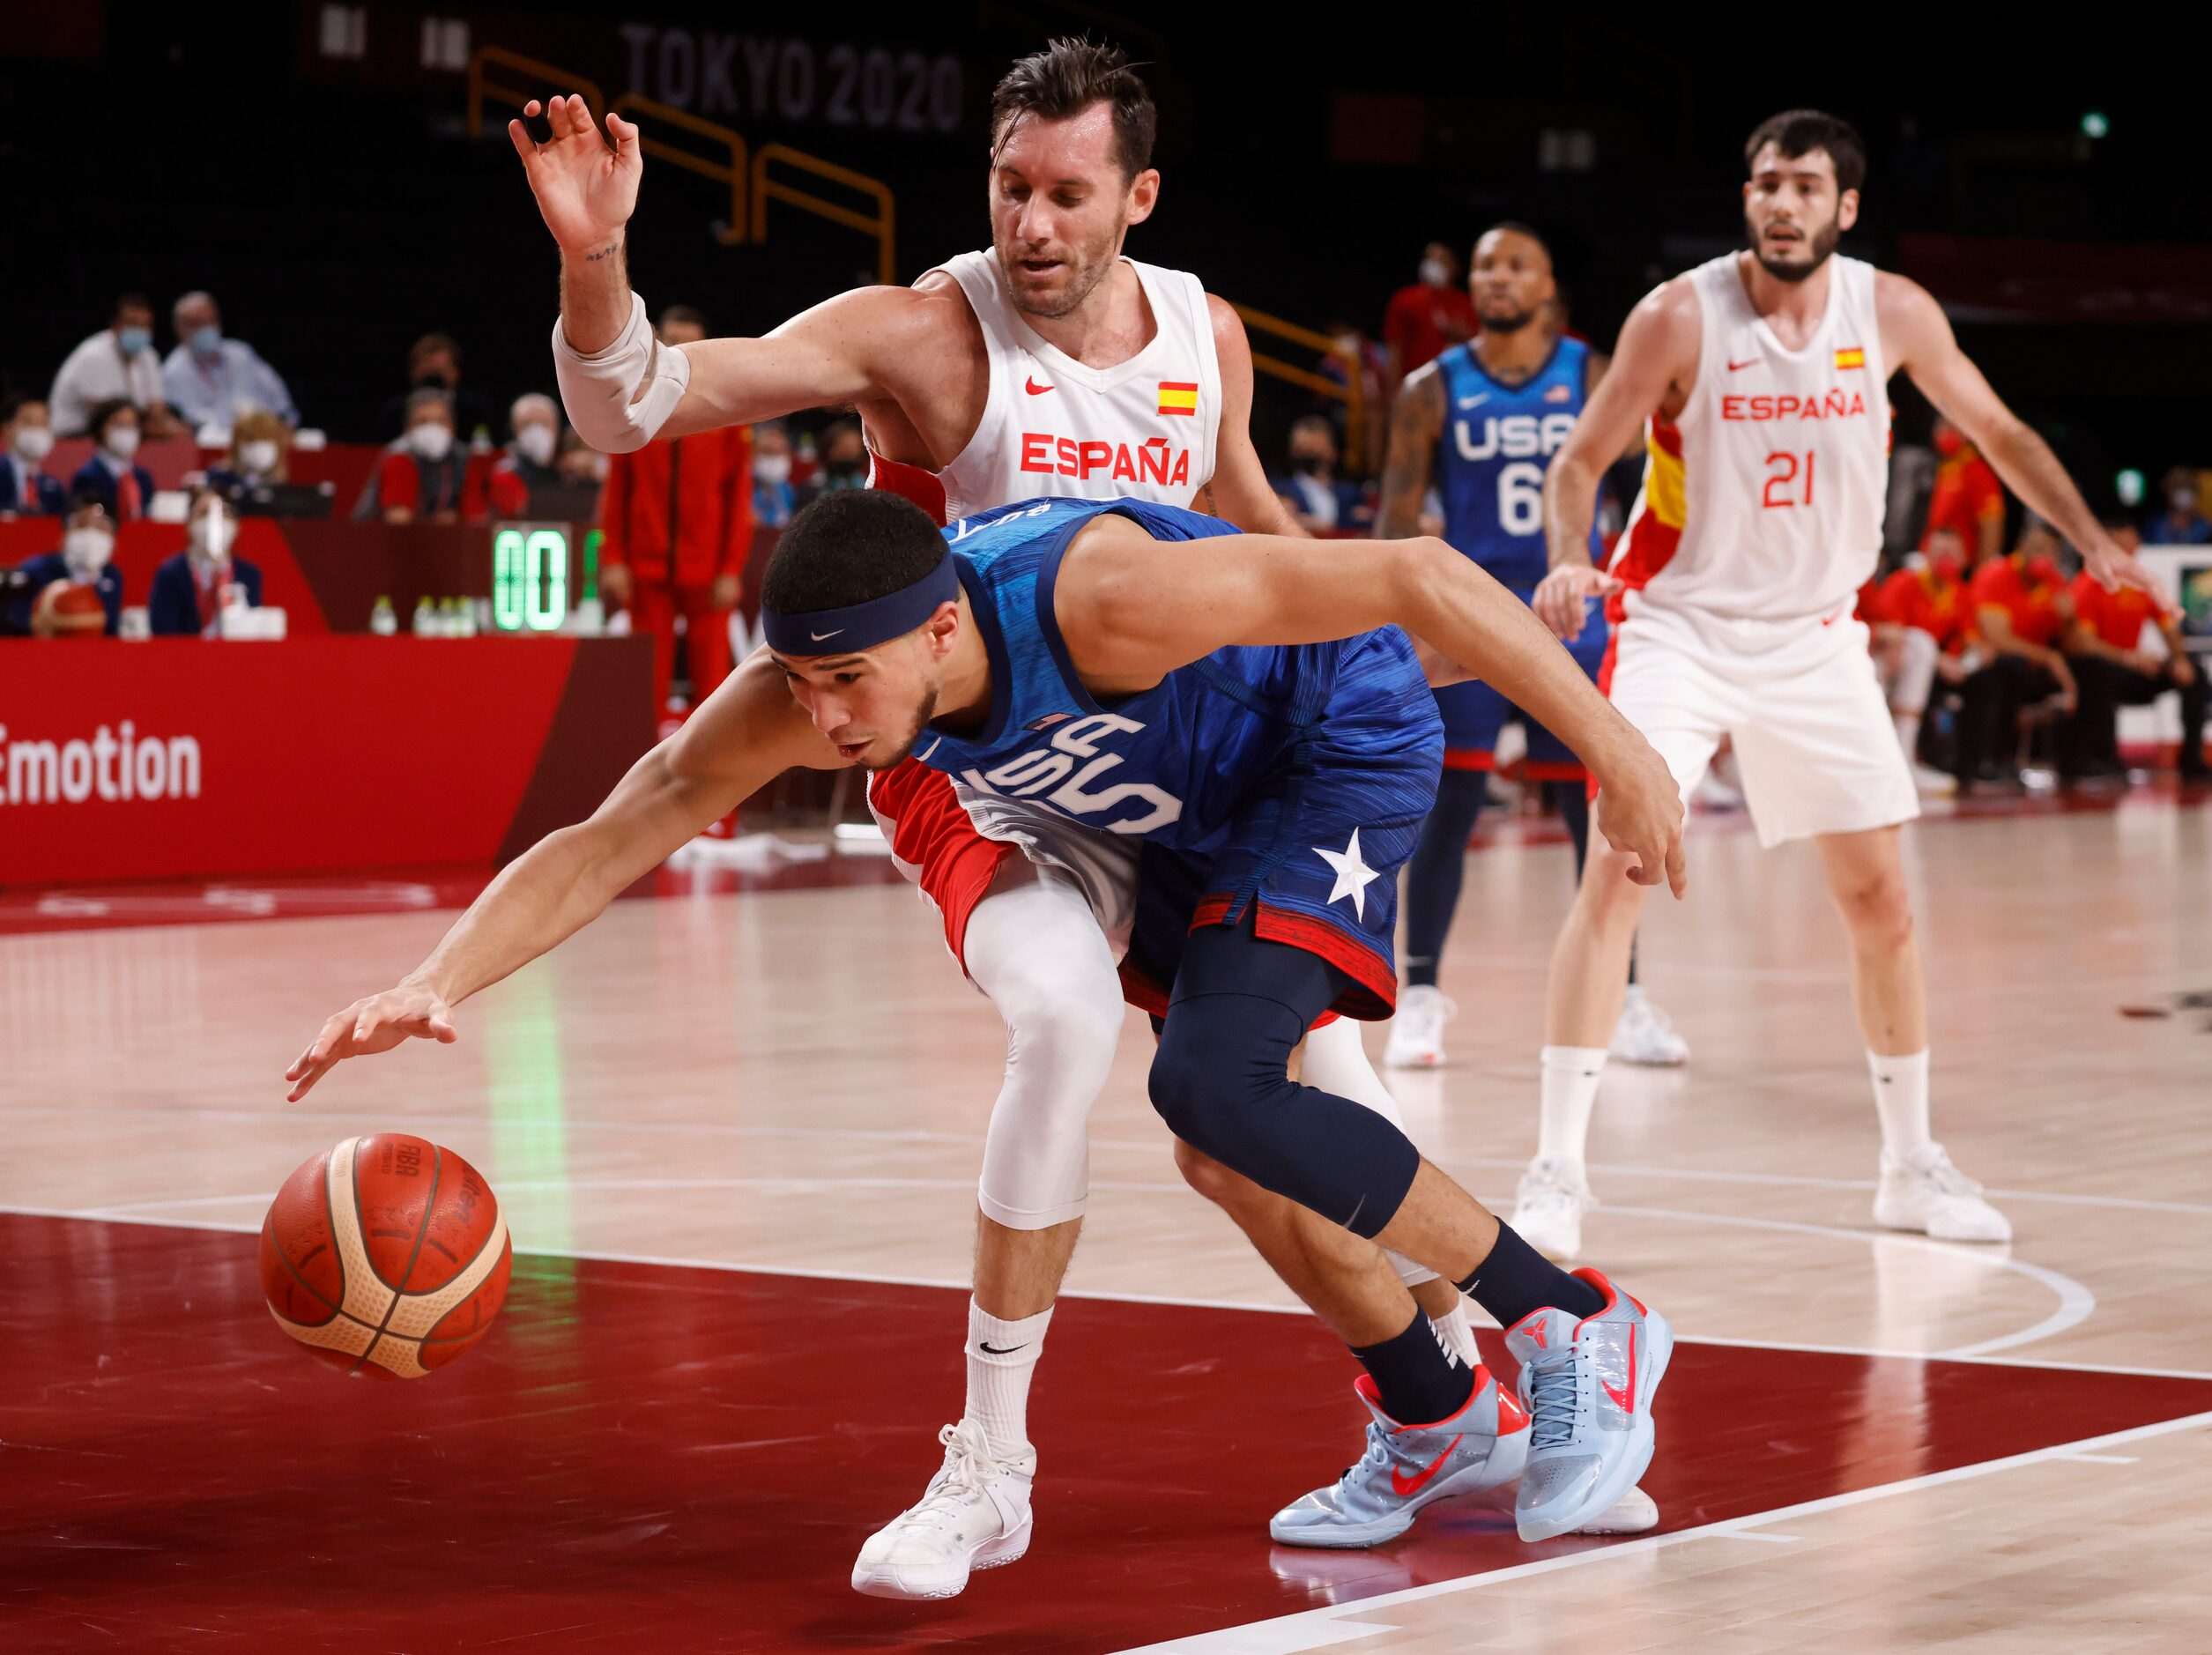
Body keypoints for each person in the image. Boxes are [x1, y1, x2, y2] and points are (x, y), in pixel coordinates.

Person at [496, 41, 1653, 1594]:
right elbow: (636, 403)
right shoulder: (921, 331)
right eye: (1009, 189)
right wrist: (596, 261)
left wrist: (1433, 647)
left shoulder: (1204, 331)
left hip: (1201, 766)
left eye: (1066, 194)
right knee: (1100, 1037)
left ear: (1138, 196)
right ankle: (1005, 1465)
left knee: (1245, 1128)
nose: (1031, 223)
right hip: (997, 761)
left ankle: (1452, 1391)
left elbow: (1262, 544)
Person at [286, 486, 1688, 1559]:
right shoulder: (831, 680)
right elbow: (622, 820)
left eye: (851, 684)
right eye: (804, 685)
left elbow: (1413, 575)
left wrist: (1615, 755)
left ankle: (1573, 1317)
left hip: (1333, 745)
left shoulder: (1100, 598)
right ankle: (1432, 1414)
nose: (828, 721)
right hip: (1184, 808)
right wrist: (439, 979)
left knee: (1212, 1083)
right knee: (1225, 1149)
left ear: (945, 628)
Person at [1509, 109, 2155, 1260]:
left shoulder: (1891, 310)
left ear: (1844, 208)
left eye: (1804, 185)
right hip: (1679, 628)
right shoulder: (1676, 315)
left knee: (1883, 905)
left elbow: (1998, 430)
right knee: (1613, 878)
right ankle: (1555, 1168)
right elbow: (1577, 462)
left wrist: (2089, 535)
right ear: (1746, 198)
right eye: (1765, 182)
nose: (1781, 203)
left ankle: (1907, 1166)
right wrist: (1568, 555)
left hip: (1815, 638)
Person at [1374, 222, 1685, 1072]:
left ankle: (1624, 997)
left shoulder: (1589, 372)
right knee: (1449, 810)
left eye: (1516, 265)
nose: (1496, 278)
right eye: (1484, 266)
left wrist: (1624, 580)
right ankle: (1424, 996)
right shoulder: (1430, 388)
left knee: (1600, 813)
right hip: (1468, 615)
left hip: (1569, 613)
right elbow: (1396, 522)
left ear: (1548, 286)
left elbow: (1639, 485)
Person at [597, 310, 752, 714]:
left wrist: (731, 569)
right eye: (673, 341)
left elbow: (738, 501)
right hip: (646, 569)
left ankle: (710, 766)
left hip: (707, 569)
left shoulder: (727, 416)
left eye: (690, 343)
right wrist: (613, 557)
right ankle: (645, 758)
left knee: (713, 684)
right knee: (646, 681)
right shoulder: (633, 409)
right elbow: (617, 494)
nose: (680, 350)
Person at [2063, 516, 2208, 782]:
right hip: (2103, 671)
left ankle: (2191, 759)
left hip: (2134, 671)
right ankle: (2102, 758)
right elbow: (2085, 642)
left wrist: (2179, 659)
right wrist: (2127, 657)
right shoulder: (2088, 584)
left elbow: (2170, 628)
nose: (2132, 548)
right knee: (2096, 670)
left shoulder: (2142, 584)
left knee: (2195, 672)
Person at [1952, 523, 2077, 788]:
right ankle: (1989, 762)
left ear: (2056, 556)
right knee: (2008, 668)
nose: (2038, 555)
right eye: (2033, 548)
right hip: (1987, 661)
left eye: (2046, 551)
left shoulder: (2055, 582)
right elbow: (1997, 639)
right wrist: (2049, 658)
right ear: (2021, 548)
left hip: (2032, 665)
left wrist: (2069, 620)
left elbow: (2069, 644)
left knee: (2087, 670)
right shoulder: (1996, 575)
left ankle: (2079, 766)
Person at [1867, 527, 1973, 793]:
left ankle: (1903, 762)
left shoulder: (1960, 592)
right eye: (1940, 553)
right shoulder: (1904, 582)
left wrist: (1967, 663)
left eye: (1952, 553)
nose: (1946, 560)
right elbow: (1890, 631)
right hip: (1876, 657)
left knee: (1926, 650)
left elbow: (1977, 643)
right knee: (1917, 647)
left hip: (1925, 667)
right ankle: (1871, 764)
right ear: (1925, 553)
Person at [160, 292, 298, 433]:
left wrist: (281, 422)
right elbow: (191, 422)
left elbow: (279, 401)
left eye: (211, 321)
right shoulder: (173, 371)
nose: (206, 329)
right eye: (197, 324)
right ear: (179, 328)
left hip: (262, 434)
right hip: (213, 443)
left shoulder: (241, 354)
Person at [48, 294, 182, 438]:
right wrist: (153, 428)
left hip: (123, 430)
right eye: (132, 324)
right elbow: (103, 414)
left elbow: (156, 406)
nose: (139, 330)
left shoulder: (148, 355)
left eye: (145, 325)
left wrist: (169, 425)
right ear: (115, 325)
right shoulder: (93, 355)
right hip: (74, 436)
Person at [149, 488, 265, 636]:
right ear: (189, 524)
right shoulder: (170, 574)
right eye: (205, 513)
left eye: (224, 514)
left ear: (237, 526)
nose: (214, 522)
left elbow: (253, 631)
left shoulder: (249, 574)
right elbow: (163, 631)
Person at [10, 500, 121, 636]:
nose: (90, 534)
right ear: (64, 534)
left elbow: (109, 631)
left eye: (101, 527)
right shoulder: (35, 572)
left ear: (114, 541)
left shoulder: (113, 576)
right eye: (81, 524)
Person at [355, 390, 466, 523]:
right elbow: (398, 521)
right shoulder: (399, 458)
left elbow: (476, 518)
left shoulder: (460, 456)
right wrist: (437, 522)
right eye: (423, 422)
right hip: (382, 538)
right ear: (408, 427)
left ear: (453, 427)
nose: (432, 429)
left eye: (441, 421)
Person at [1382, 241, 1479, 384]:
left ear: (1455, 267)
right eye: (1430, 259)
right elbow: (1395, 349)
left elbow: (1483, 347)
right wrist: (1392, 388)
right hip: (1416, 384)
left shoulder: (1467, 303)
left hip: (1458, 384)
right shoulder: (1404, 299)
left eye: (1441, 260)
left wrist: (1465, 335)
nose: (1434, 265)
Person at [377, 332, 495, 449]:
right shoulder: (394, 411)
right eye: (427, 372)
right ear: (412, 372)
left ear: (456, 372)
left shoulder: (475, 411)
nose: (433, 380)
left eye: (439, 371)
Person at [1920, 415, 2005, 567]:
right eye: (1942, 427)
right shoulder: (1941, 469)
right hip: (1930, 563)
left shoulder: (1979, 473)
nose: (1945, 432)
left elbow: (1991, 526)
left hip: (1959, 568)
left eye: (1952, 427)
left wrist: (1981, 573)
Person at [1272, 414, 1370, 533]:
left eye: (1315, 449)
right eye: (1303, 450)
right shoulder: (1278, 491)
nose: (1310, 455)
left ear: (1332, 452)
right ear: (1292, 451)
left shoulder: (1352, 494)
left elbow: (1367, 523)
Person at [479, 393, 567, 518]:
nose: (537, 431)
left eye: (544, 423)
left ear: (556, 429)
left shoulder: (568, 473)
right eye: (528, 424)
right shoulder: (502, 475)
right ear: (515, 429)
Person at [68, 400, 159, 522]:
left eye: (132, 425)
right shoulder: (86, 478)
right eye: (119, 424)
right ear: (101, 428)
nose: (126, 431)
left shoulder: (143, 478)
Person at [204, 410, 294, 498]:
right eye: (251, 440)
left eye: (266, 440)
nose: (260, 448)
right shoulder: (220, 477)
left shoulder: (281, 484)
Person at [1, 397, 67, 516]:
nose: (36, 430)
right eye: (28, 422)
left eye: (43, 423)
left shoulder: (54, 488)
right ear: (8, 428)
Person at [750, 420, 806, 527]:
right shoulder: (743, 489)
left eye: (780, 452)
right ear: (753, 453)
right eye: (767, 451)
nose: (775, 457)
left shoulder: (787, 489)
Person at [2146, 465, 2211, 545]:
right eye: (2177, 487)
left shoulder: (2205, 528)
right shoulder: (2155, 526)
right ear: (2168, 493)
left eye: (2188, 487)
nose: (2183, 494)